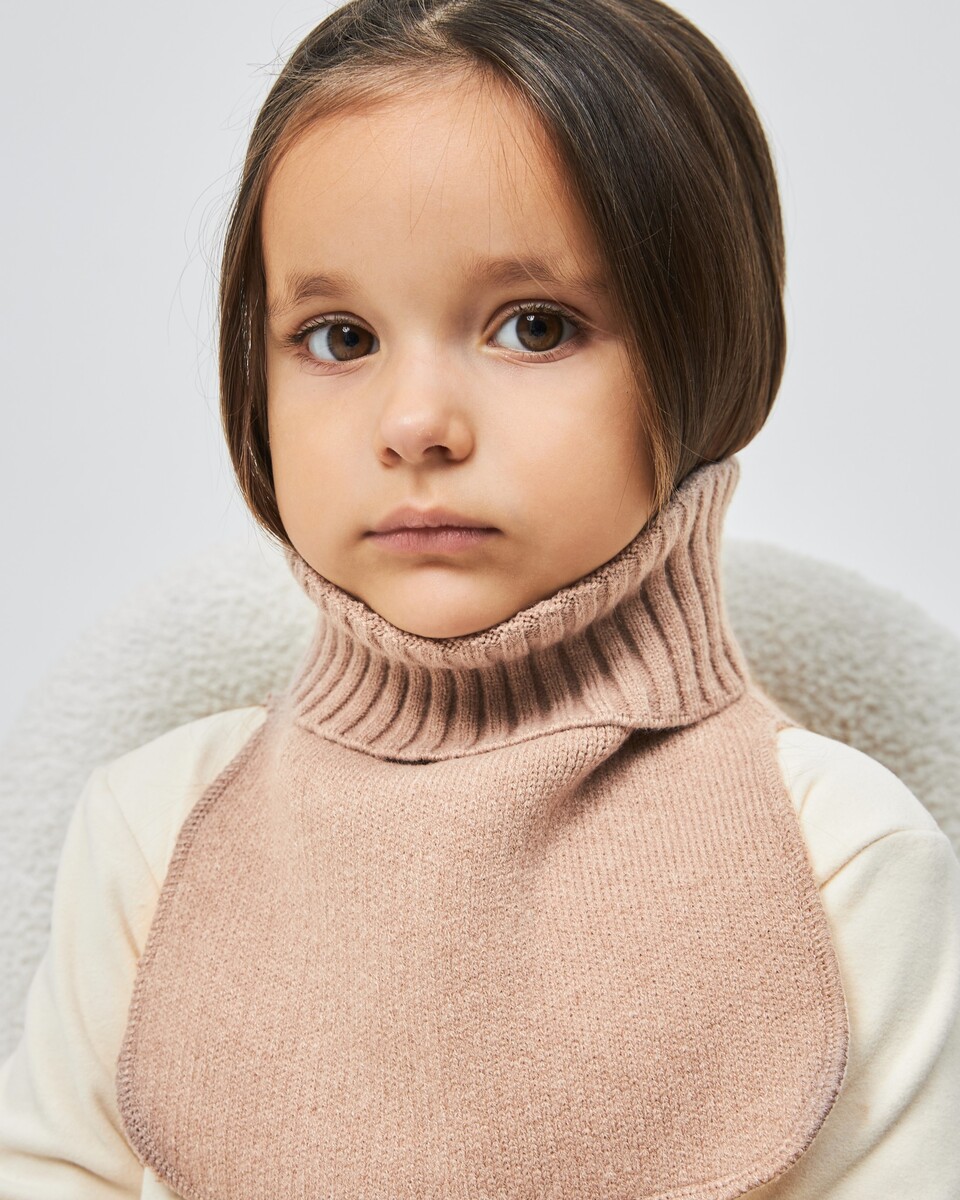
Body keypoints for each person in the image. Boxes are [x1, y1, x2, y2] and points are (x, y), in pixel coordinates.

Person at [1, 0, 958, 1196]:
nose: (415, 424)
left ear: (711, 351)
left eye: (534, 326)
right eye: (338, 337)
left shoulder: (837, 857)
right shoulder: (155, 831)